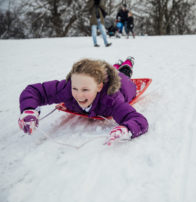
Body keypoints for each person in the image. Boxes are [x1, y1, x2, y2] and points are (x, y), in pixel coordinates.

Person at [18, 57, 148, 145]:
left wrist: (126, 129)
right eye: (75, 88)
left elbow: (138, 120)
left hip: (124, 83)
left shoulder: (111, 99)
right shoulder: (67, 88)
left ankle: (128, 62)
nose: (79, 95)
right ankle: (113, 67)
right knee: (108, 70)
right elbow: (35, 91)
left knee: (123, 72)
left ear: (99, 87)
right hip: (99, 76)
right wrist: (29, 110)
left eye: (85, 89)